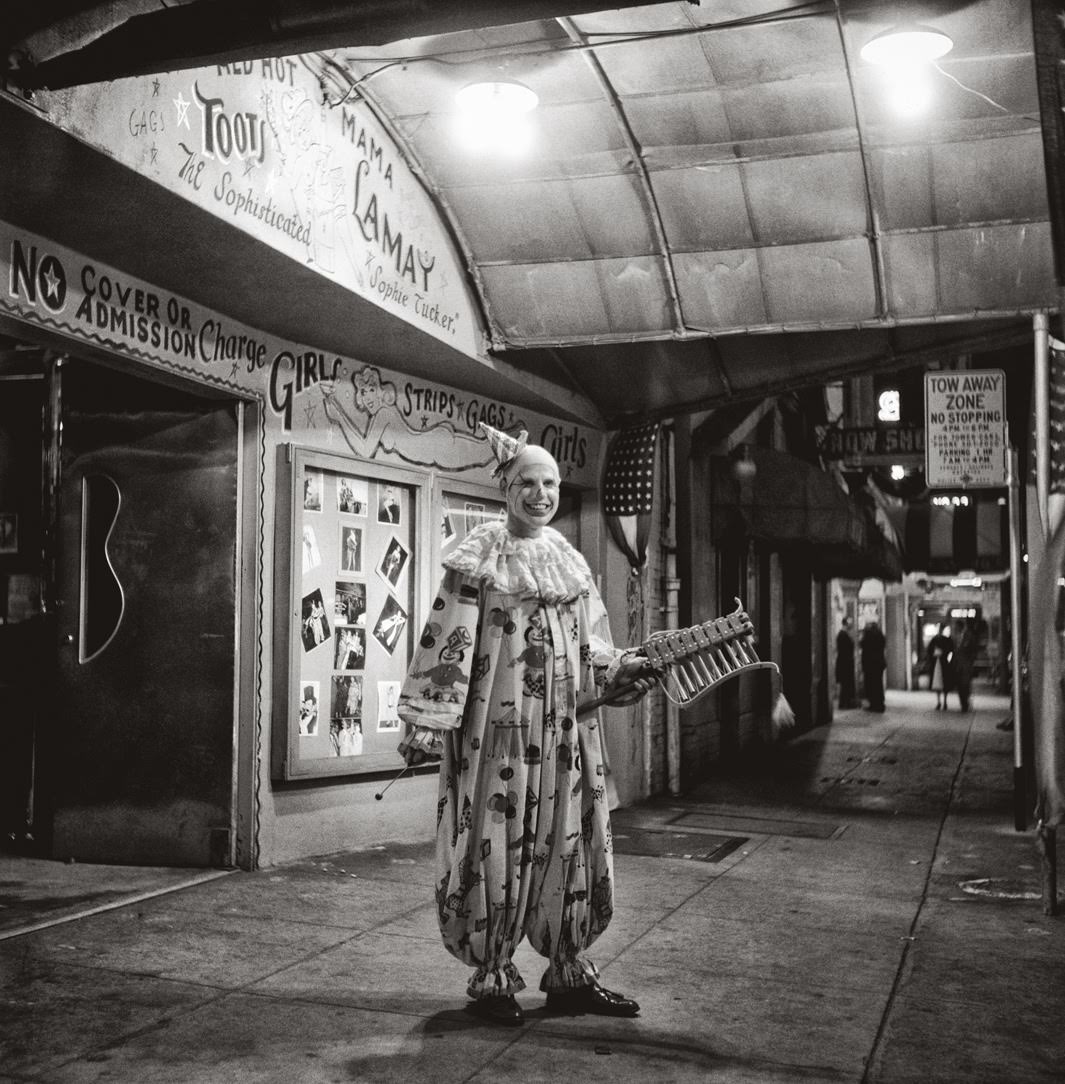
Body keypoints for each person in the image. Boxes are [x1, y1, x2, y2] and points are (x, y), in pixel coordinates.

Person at [397, 424, 656, 1027]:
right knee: (494, 851)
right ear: (506, 488)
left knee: (572, 845)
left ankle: (569, 972)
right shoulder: (477, 563)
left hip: (566, 737)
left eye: (550, 483)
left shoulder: (570, 563)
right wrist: (427, 723)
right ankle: (491, 980)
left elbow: (593, 646)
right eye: (528, 483)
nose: (541, 494)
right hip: (496, 738)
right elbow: (449, 643)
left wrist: (622, 669)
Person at [860, 620, 886, 712]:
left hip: (870, 665)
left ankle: (874, 704)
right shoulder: (880, 636)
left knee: (871, 685)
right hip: (879, 664)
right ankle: (880, 703)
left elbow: (863, 645)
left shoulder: (868, 636)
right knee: (878, 684)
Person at [927, 623, 954, 710]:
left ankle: (940, 702)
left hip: (937, 663)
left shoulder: (934, 639)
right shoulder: (947, 640)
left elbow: (929, 651)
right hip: (943, 663)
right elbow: (951, 650)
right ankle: (944, 702)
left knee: (938, 682)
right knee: (943, 682)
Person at [952, 622, 978, 712]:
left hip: (966, 665)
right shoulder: (956, 637)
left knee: (965, 684)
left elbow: (973, 650)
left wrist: (971, 662)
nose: (955, 629)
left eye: (956, 627)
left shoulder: (969, 636)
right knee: (959, 685)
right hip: (958, 665)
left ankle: (965, 703)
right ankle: (963, 703)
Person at [835, 617, 857, 709]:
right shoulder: (843, 635)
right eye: (849, 623)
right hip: (845, 663)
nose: (850, 625)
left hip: (844, 662)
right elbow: (845, 650)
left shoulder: (843, 634)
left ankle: (845, 702)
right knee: (845, 684)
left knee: (845, 684)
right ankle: (844, 703)